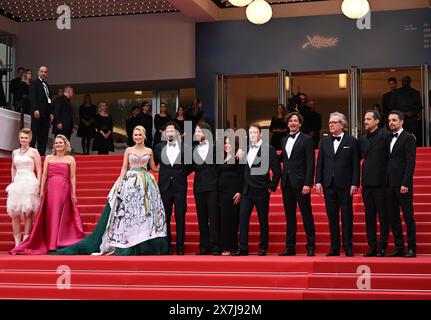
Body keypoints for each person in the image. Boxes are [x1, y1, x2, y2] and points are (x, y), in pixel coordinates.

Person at [51, 126, 169, 255]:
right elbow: (124, 167)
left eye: (139, 135)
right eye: (135, 135)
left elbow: (153, 167)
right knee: (129, 213)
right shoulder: (129, 150)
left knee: (144, 213)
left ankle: (143, 242)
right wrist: (120, 183)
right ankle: (127, 242)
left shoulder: (149, 150)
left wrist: (168, 166)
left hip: (146, 184)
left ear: (144, 135)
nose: (137, 137)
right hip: (130, 182)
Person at [11, 135, 84, 255]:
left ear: (65, 144)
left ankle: (59, 242)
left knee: (61, 214)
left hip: (64, 188)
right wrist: (41, 190)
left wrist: (73, 193)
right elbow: (44, 175)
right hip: (50, 189)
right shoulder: (49, 158)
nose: (58, 145)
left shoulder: (70, 159)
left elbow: (72, 177)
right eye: (56, 143)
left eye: (60, 143)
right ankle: (50, 243)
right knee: (51, 214)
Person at [315, 112, 360, 257]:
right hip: (329, 184)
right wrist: (318, 181)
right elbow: (320, 163)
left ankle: (348, 247)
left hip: (345, 184)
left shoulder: (352, 141)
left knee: (347, 216)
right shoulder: (324, 142)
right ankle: (334, 247)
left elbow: (355, 164)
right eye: (329, 122)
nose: (330, 125)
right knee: (332, 216)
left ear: (342, 124)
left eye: (334, 122)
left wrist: (355, 183)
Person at [233, 124, 281, 256]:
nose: (253, 135)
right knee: (243, 218)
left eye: (255, 132)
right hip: (247, 190)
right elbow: (242, 172)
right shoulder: (245, 149)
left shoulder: (269, 149)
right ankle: (243, 248)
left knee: (262, 219)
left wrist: (271, 187)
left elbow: (277, 171)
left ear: (260, 134)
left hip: (261, 190)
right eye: (250, 132)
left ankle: (263, 247)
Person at [279, 112, 316, 256]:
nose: (293, 123)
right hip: (286, 182)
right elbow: (283, 159)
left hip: (301, 183)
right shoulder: (283, 140)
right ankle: (290, 247)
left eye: (295, 121)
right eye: (290, 121)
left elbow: (310, 163)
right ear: (287, 124)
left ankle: (311, 246)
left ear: (300, 123)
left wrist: (308, 183)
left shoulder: (307, 139)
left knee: (306, 214)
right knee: (290, 216)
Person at [154, 122, 192, 255]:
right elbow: (153, 164)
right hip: (164, 187)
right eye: (167, 131)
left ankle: (180, 246)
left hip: (180, 186)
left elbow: (191, 165)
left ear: (177, 133)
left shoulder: (185, 147)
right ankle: (167, 245)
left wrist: (180, 174)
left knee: (180, 216)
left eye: (172, 130)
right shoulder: (158, 147)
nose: (170, 133)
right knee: (166, 217)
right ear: (164, 133)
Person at [359, 110, 391, 257]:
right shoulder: (363, 139)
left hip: (381, 182)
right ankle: (372, 246)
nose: (365, 121)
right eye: (365, 119)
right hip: (366, 183)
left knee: (383, 216)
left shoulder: (386, 136)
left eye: (368, 119)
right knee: (369, 217)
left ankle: (383, 246)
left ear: (377, 121)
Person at [386, 111, 417, 258]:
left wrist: (405, 182)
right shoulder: (387, 138)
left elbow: (410, 162)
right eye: (389, 120)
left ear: (402, 122)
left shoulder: (408, 138)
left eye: (394, 120)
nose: (391, 122)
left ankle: (411, 248)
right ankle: (399, 247)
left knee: (408, 216)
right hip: (389, 184)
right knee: (393, 217)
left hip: (403, 184)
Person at [6, 128, 42, 247]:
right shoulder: (15, 152)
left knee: (28, 212)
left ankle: (26, 241)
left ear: (30, 139)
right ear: (19, 138)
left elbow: (39, 169)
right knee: (15, 213)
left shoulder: (34, 152)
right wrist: (13, 178)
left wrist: (39, 183)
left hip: (30, 181)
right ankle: (17, 242)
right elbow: (13, 167)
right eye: (22, 137)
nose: (24, 140)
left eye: (26, 138)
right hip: (17, 182)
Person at [192, 122, 221, 255]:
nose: (196, 134)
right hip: (198, 187)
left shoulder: (217, 148)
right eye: (196, 132)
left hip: (213, 187)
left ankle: (215, 246)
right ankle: (204, 246)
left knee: (214, 217)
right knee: (201, 217)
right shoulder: (192, 150)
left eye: (198, 131)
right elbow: (186, 168)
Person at [218, 136, 244, 256]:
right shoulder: (221, 157)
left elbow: (242, 175)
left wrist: (240, 192)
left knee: (233, 220)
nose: (227, 145)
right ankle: (225, 246)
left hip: (233, 193)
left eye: (230, 143)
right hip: (221, 193)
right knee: (223, 220)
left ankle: (233, 246)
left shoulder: (239, 157)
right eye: (225, 143)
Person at [390, 76, 423, 144]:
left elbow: (420, 106)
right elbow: (392, 106)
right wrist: (400, 113)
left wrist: (412, 112)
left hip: (412, 120)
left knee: (412, 138)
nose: (405, 82)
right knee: (399, 138)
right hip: (400, 120)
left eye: (406, 80)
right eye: (404, 81)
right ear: (401, 82)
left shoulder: (415, 92)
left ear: (410, 82)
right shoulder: (396, 92)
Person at [29, 66, 53, 156]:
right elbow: (33, 97)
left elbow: (49, 100)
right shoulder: (34, 83)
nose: (43, 73)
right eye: (42, 72)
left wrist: (51, 113)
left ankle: (42, 154)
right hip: (37, 113)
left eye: (45, 72)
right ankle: (30, 154)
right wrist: (35, 109)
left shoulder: (47, 85)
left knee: (44, 135)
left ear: (47, 74)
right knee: (34, 133)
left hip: (46, 114)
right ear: (38, 72)